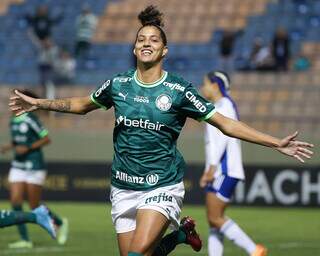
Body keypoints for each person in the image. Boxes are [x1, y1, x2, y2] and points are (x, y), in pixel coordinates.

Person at [8, 6, 313, 256]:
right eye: (141, 39)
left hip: (161, 186)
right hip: (123, 186)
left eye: (154, 40)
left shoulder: (179, 89)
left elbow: (225, 123)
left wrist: (275, 143)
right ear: (134, 47)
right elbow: (82, 103)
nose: (147, 43)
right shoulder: (118, 84)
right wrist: (39, 103)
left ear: (165, 50)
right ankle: (180, 236)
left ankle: (177, 230)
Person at [199, 71, 267, 256]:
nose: (202, 87)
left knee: (214, 217)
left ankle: (254, 250)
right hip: (221, 168)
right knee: (214, 220)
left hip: (224, 169)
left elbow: (223, 139)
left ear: (215, 85)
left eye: (204, 83)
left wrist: (211, 169)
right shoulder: (220, 105)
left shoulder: (224, 105)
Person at [1, 90, 68, 249]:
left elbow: (46, 139)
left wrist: (29, 148)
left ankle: (59, 222)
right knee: (16, 201)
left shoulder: (31, 119)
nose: (12, 104)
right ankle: (25, 239)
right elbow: (18, 142)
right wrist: (9, 147)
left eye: (15, 101)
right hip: (18, 165)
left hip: (34, 164)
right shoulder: (13, 121)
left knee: (34, 205)